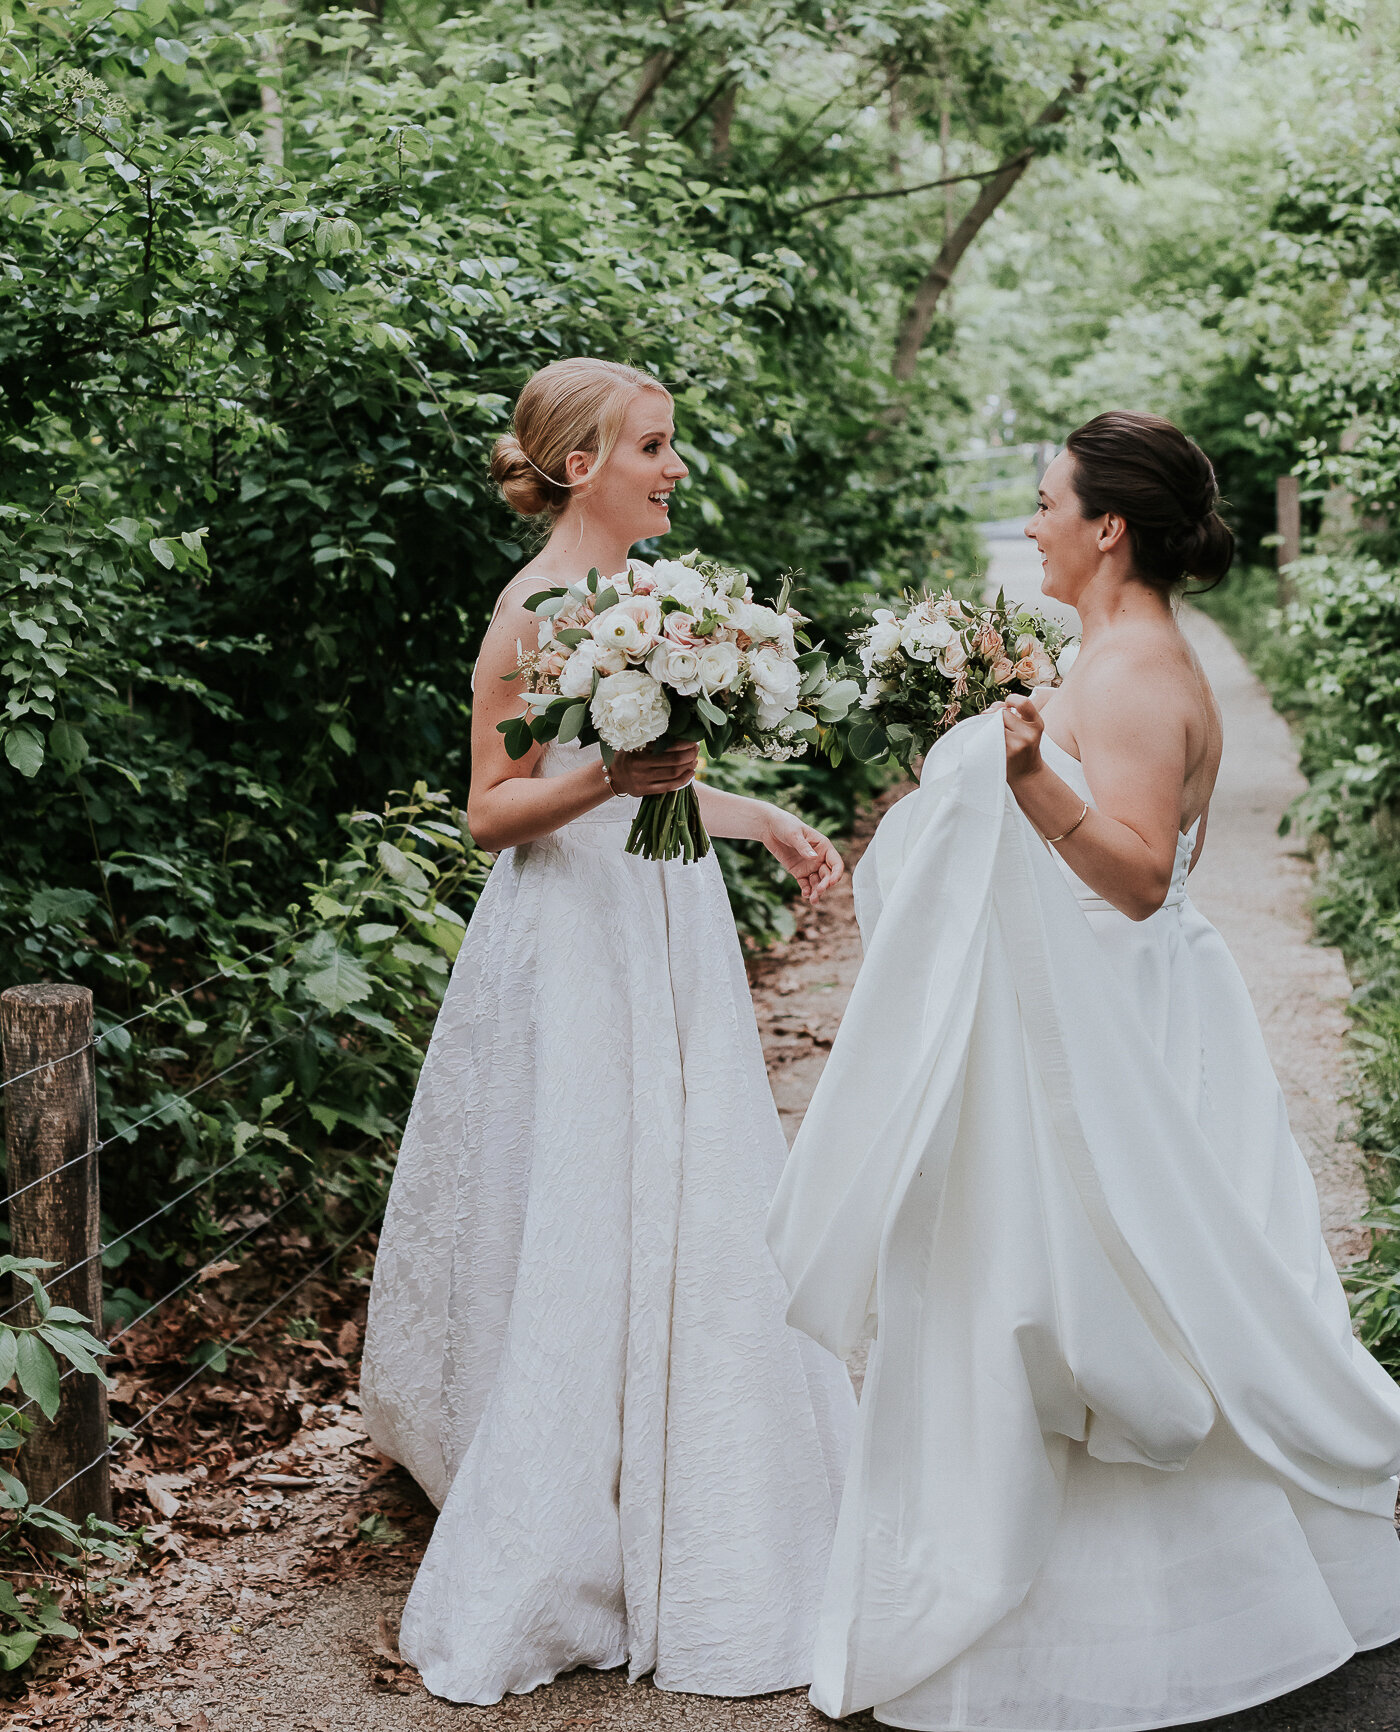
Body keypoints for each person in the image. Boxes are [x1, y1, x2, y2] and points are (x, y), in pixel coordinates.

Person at [769, 411, 1400, 1731]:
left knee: (1119, 1286)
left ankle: (1123, 1626)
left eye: (1049, 499)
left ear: (1108, 525)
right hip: (1101, 1008)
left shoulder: (1127, 673)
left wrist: (1020, 778)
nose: (1036, 521)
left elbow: (1131, 874)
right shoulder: (1101, 653)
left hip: (1117, 1023)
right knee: (1144, 1282)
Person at [361, 356, 857, 1706]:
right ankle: (567, 1501)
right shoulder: (531, 609)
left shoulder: (646, 601)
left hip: (665, 917)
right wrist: (610, 781)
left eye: (672, 445)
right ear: (582, 463)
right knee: (590, 1187)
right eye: (654, 447)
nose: (674, 467)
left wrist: (749, 817)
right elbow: (495, 809)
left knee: (688, 1181)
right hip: (571, 941)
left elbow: (652, 789)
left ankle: (694, 1463)